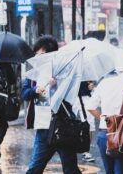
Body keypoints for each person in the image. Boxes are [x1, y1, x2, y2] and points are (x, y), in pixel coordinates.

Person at [21, 35, 81, 174]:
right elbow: (24, 94)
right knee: (34, 169)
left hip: (63, 126)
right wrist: (35, 90)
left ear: (51, 54)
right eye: (36, 53)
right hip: (43, 128)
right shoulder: (33, 74)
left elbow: (73, 93)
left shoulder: (65, 71)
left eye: (41, 54)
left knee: (70, 169)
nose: (38, 57)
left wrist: (57, 85)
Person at [73, 81, 96, 162]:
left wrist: (91, 86)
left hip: (86, 97)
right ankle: (67, 149)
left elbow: (91, 81)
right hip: (71, 95)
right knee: (68, 122)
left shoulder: (88, 68)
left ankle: (86, 151)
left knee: (89, 124)